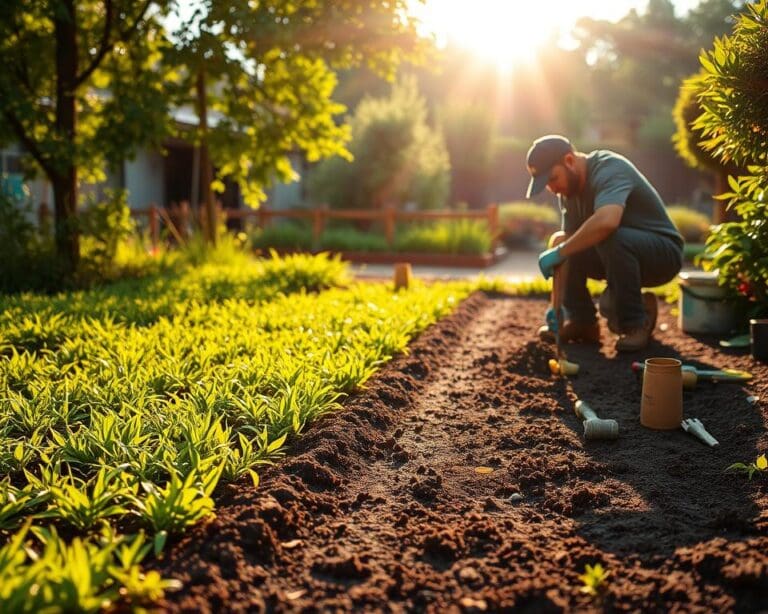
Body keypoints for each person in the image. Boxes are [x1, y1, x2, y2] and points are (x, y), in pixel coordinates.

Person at [526, 135, 684, 352]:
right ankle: (582, 322)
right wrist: (556, 306)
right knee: (567, 244)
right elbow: (564, 241)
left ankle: (635, 324)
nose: (552, 189)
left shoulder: (609, 168)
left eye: (553, 178)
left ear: (569, 160)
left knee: (609, 237)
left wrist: (561, 251)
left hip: (662, 254)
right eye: (546, 184)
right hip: (618, 251)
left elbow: (608, 222)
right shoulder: (568, 190)